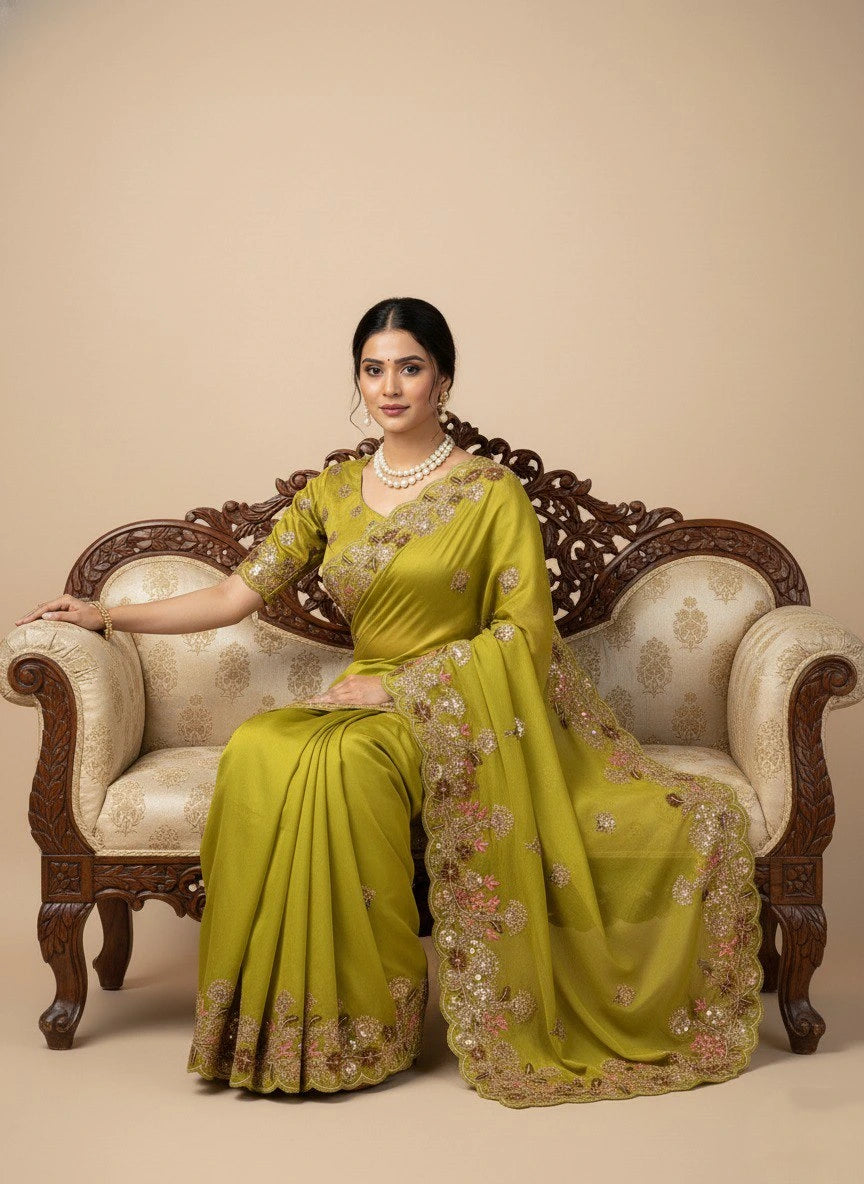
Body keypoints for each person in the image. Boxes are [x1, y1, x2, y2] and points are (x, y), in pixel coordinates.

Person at [15, 296, 763, 1108]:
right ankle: (282, 1030)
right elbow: (233, 594)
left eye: (410, 367)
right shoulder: (332, 492)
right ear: (359, 381)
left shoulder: (490, 492)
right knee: (262, 745)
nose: (391, 386)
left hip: (457, 707)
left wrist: (402, 688)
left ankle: (367, 1031)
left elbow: (525, 636)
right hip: (359, 693)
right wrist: (105, 615)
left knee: (348, 761)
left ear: (443, 379)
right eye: (374, 370)